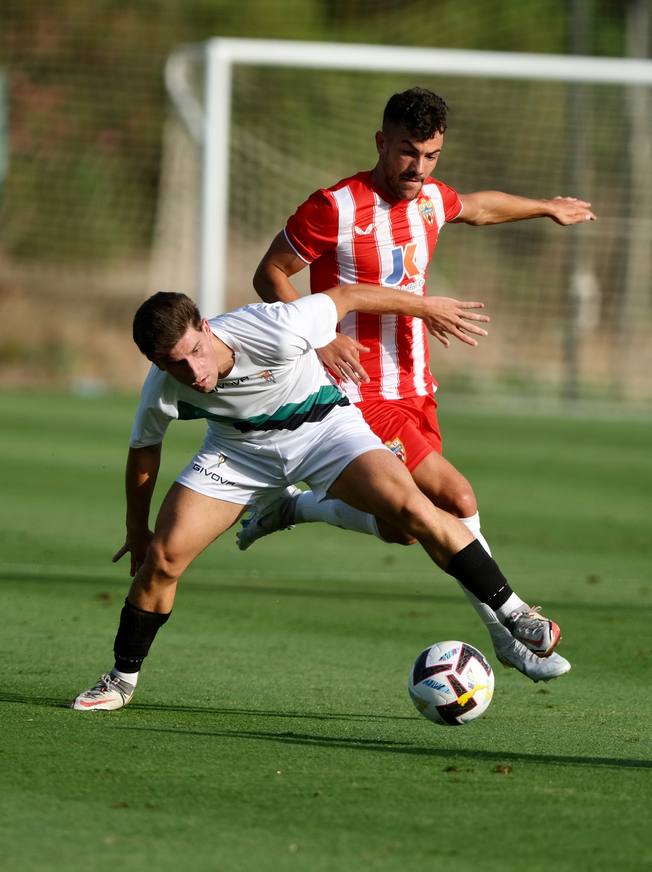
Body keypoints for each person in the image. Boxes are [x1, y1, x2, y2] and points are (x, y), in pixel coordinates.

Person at [239, 86, 594, 681]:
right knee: (456, 499)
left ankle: (295, 509)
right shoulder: (335, 206)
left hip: (415, 386)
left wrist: (543, 206)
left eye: (431, 155)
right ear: (383, 142)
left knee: (408, 530)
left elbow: (477, 206)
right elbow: (268, 271)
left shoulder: (429, 199)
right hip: (357, 391)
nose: (418, 168)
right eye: (408, 152)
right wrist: (319, 336)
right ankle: (509, 633)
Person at [72, 285, 561, 711]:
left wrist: (423, 307)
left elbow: (346, 295)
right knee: (162, 557)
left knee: (413, 514)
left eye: (195, 351)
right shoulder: (161, 386)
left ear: (205, 326)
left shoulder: (274, 329)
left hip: (324, 432)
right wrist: (137, 529)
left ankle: (516, 612)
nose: (192, 370)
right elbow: (144, 454)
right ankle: (121, 679)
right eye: (172, 363)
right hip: (239, 453)